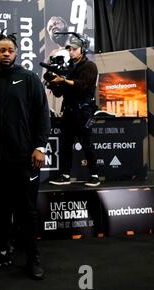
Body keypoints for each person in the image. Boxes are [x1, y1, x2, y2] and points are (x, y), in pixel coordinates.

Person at [0, 32, 50, 280]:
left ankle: (33, 259)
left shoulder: (29, 79)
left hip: (24, 158)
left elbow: (42, 116)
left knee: (27, 211)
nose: (6, 53)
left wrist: (40, 146)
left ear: (16, 53)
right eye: (1, 49)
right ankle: (1, 252)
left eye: (10, 50)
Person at [48, 34, 100, 187]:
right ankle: (65, 175)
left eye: (74, 49)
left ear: (82, 50)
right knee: (65, 144)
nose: (71, 52)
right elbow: (60, 93)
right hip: (69, 111)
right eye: (69, 49)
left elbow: (82, 85)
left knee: (87, 143)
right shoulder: (68, 67)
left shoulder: (90, 66)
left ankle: (94, 175)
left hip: (83, 111)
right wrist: (53, 84)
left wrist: (63, 80)